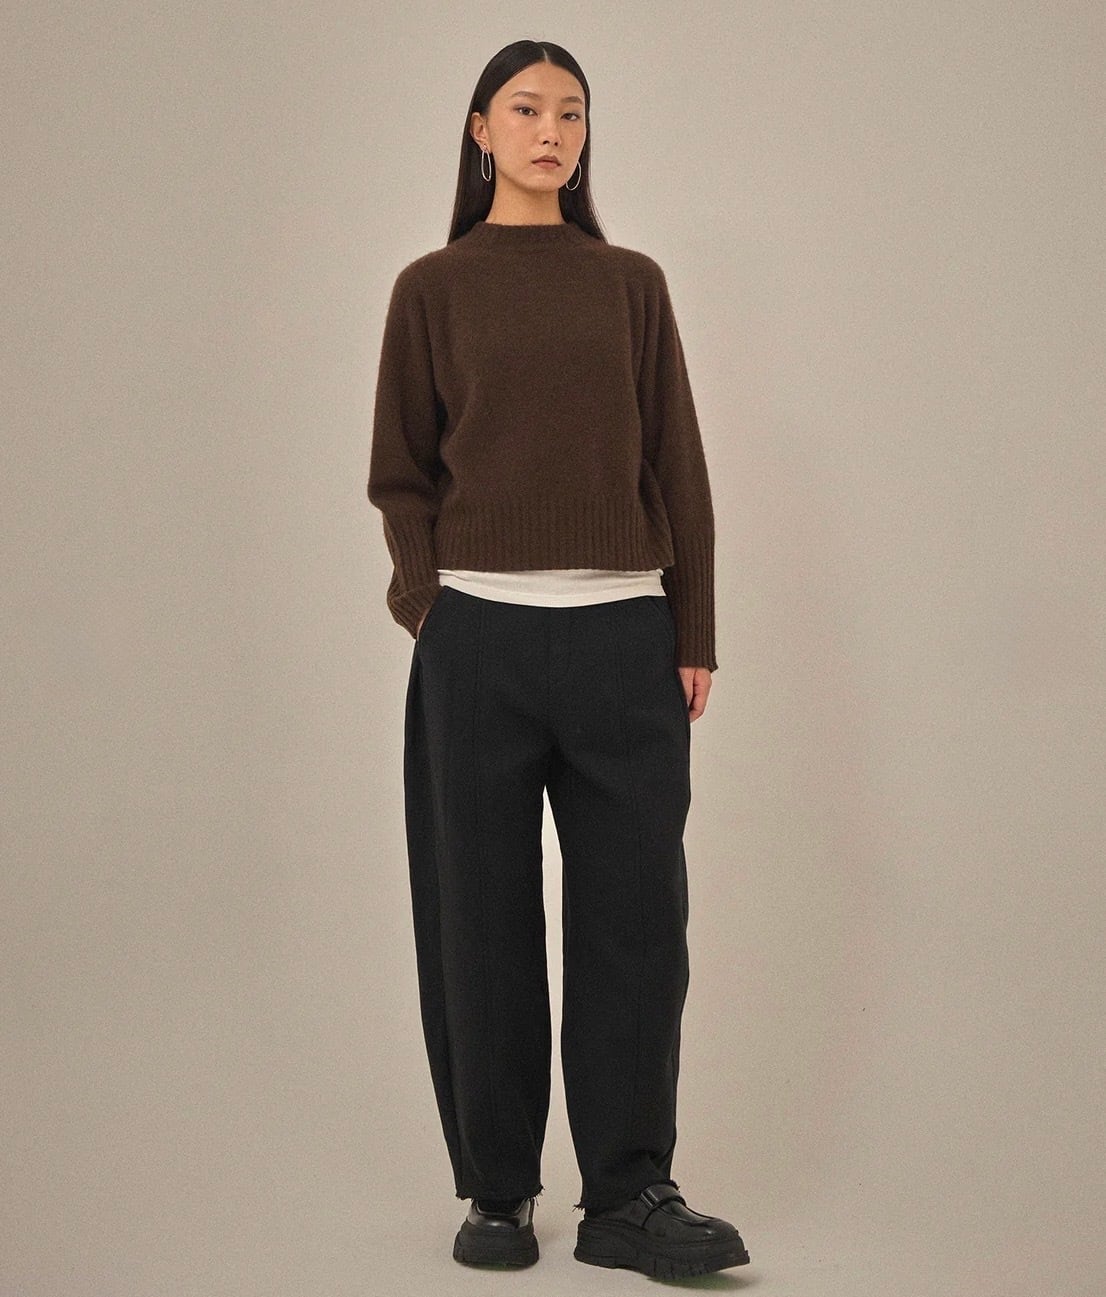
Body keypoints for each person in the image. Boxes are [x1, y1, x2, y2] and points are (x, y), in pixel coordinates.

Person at [366, 38, 750, 1280]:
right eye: (525, 109)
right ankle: (496, 1189)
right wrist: (428, 604)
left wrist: (691, 630)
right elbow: (400, 472)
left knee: (635, 920)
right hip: (475, 639)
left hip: (623, 636)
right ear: (480, 130)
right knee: (477, 919)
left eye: (571, 112)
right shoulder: (431, 288)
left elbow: (676, 464)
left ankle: (628, 1195)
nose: (551, 131)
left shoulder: (629, 283)